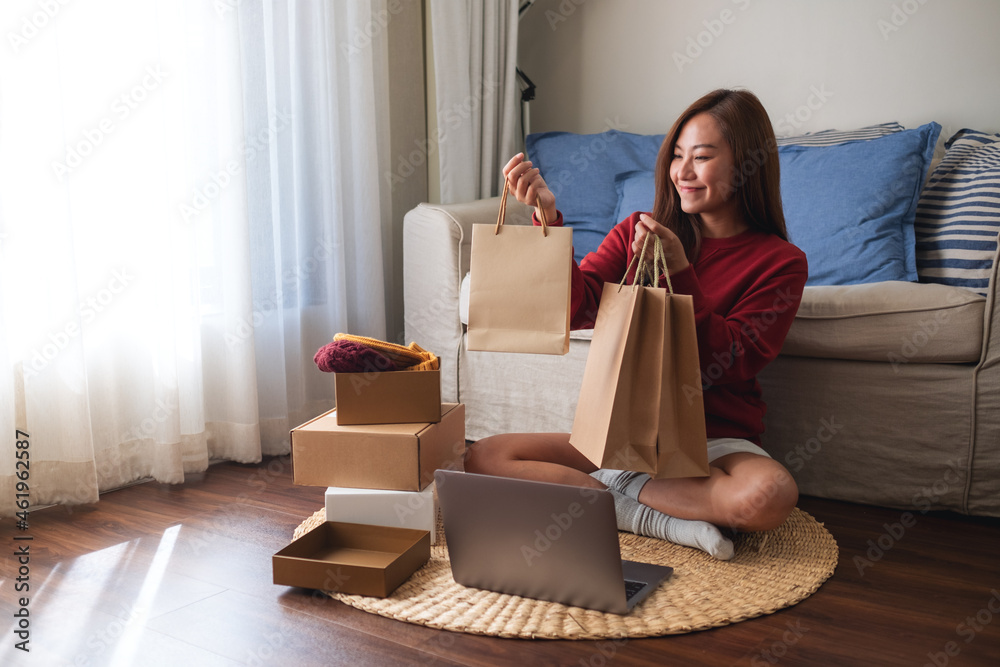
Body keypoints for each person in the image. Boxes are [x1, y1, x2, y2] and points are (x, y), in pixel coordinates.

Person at [463, 89, 808, 560]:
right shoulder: (637, 231)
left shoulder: (781, 262)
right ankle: (647, 515)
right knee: (484, 456)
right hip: (624, 434)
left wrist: (681, 273)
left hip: (716, 441)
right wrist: (548, 220)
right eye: (677, 157)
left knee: (769, 496)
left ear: (746, 165)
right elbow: (577, 307)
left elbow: (733, 360)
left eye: (702, 157)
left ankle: (614, 488)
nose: (682, 172)